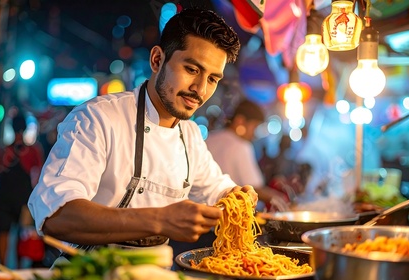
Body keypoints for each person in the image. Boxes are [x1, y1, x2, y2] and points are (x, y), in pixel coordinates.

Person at [28, 8, 257, 259]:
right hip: (86, 271)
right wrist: (159, 220)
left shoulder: (190, 136)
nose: (200, 89)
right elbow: (56, 216)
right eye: (192, 69)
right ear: (157, 60)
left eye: (213, 79)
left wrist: (237, 195)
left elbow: (217, 188)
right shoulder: (98, 118)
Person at [205, 99, 287, 210]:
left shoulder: (210, 139)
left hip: (203, 209)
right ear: (240, 121)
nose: (254, 134)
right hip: (227, 214)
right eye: (254, 127)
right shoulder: (241, 146)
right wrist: (280, 198)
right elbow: (255, 188)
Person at [0, 112, 44, 267]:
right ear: (25, 129)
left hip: (3, 197)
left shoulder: (3, 150)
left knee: (2, 233)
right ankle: (18, 269)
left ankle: (3, 267)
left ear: (12, 128)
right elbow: (40, 175)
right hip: (24, 199)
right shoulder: (33, 150)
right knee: (21, 234)